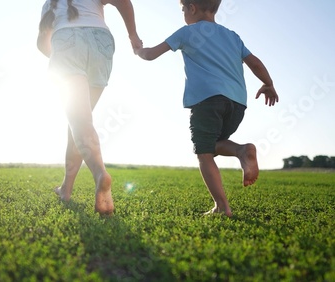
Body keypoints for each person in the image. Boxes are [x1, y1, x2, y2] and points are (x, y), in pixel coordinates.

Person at [136, 0, 278, 217]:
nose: (183, 14)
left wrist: (138, 48)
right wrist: (268, 84)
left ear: (192, 7)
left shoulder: (186, 32)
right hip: (237, 103)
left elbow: (151, 54)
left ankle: (222, 207)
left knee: (204, 153)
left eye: (183, 9)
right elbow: (255, 63)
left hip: (207, 100)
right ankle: (242, 150)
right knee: (212, 145)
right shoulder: (232, 36)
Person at [37, 0, 143, 215]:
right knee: (78, 123)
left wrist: (61, 54)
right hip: (101, 44)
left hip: (66, 42)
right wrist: (133, 35)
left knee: (80, 122)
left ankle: (99, 174)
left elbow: (42, 43)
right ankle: (66, 189)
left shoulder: (49, 4)